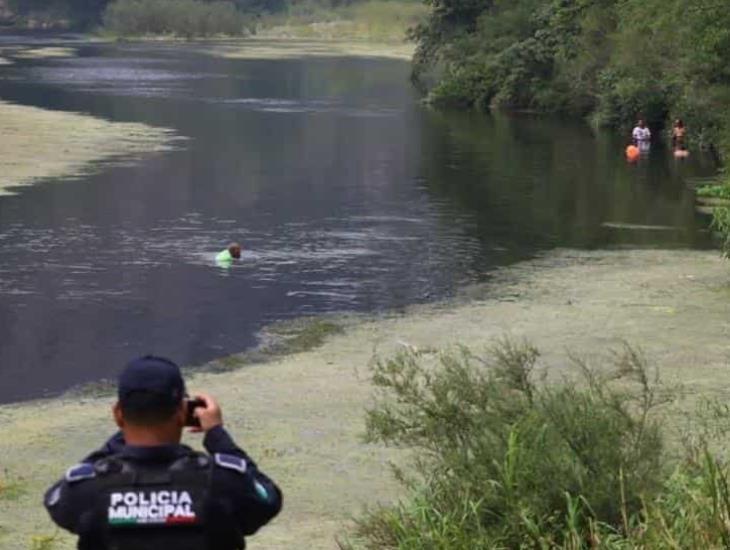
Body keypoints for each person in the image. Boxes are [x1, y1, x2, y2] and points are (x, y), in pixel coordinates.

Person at [43, 356, 282, 550]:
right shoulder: (224, 481)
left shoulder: (87, 489)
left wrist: (122, 437)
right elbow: (268, 499)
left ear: (118, 414)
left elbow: (55, 499)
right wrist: (217, 436)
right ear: (182, 413)